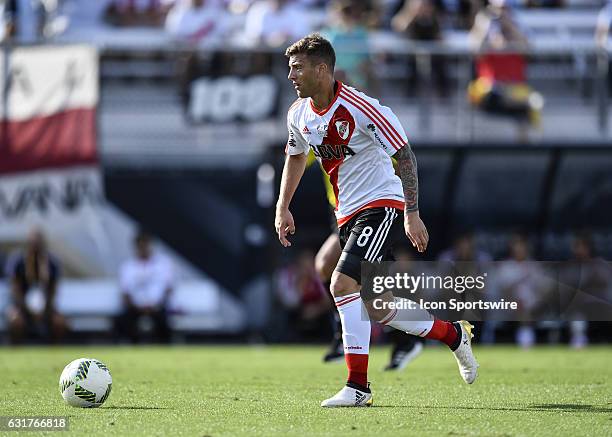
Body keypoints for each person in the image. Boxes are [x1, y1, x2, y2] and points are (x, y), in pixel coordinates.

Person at [275, 34, 478, 407]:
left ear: (322, 69)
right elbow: (295, 156)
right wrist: (282, 206)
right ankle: (453, 336)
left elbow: (405, 156)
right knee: (378, 306)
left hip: (381, 204)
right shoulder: (298, 113)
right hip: (346, 214)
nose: (291, 75)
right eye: (290, 68)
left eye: (298, 67)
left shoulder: (362, 107)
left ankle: (358, 388)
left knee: (340, 282)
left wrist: (412, 214)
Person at [311, 152, 424, 370]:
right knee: (365, 288)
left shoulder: (358, 129)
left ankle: (420, 337)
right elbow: (296, 155)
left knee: (339, 272)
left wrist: (408, 210)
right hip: (343, 211)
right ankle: (407, 340)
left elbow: (402, 164)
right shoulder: (311, 125)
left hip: (373, 210)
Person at [5, 229, 67, 344]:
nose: (36, 248)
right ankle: (16, 348)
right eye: (33, 244)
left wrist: (45, 309)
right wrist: (27, 308)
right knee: (15, 320)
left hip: (46, 306)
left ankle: (55, 350)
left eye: (38, 245)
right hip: (21, 306)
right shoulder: (18, 261)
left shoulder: (51, 262)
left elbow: (53, 290)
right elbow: (15, 288)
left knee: (59, 322)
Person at [116, 230, 173, 343]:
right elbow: (125, 292)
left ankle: (165, 348)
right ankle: (131, 347)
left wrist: (157, 305)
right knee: (122, 321)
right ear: (136, 247)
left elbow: (168, 288)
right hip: (135, 308)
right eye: (140, 245)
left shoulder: (163, 264)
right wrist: (137, 307)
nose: (143, 248)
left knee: (164, 322)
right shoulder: (128, 267)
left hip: (158, 307)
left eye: (146, 244)